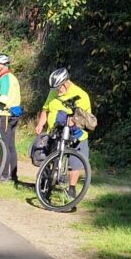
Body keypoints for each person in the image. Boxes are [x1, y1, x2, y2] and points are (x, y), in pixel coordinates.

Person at [35, 67, 92, 199]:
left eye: (59, 87)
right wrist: (41, 123)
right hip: (55, 132)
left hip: (75, 134)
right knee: (50, 157)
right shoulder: (53, 92)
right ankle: (46, 183)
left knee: (75, 162)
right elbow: (46, 109)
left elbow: (84, 116)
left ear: (66, 83)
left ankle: (71, 188)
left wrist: (73, 120)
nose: (57, 91)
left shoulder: (80, 95)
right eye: (55, 88)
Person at [0, 53, 21, 182]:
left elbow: (3, 96)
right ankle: (13, 175)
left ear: (1, 66)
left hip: (5, 115)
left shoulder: (5, 78)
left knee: (4, 146)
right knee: (11, 146)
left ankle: (5, 174)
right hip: (14, 114)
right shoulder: (12, 77)